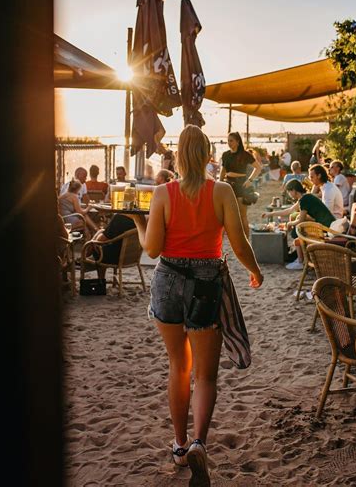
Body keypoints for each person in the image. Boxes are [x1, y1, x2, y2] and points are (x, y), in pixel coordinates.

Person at [128, 125, 263, 486]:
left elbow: (152, 249)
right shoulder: (221, 192)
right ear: (207, 155)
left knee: (178, 366)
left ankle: (179, 444)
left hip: (167, 279)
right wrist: (255, 270)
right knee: (205, 374)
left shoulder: (162, 193)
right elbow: (238, 242)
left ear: (176, 156)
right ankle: (199, 442)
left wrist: (139, 223)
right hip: (206, 282)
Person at [262, 179, 335, 271]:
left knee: (297, 232)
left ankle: (300, 261)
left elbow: (301, 219)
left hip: (325, 227)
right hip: (325, 224)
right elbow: (289, 211)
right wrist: (270, 214)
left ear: (294, 190)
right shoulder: (305, 197)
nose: (289, 194)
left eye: (289, 191)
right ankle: (300, 258)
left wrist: (289, 223)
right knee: (297, 230)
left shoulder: (304, 200)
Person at [220, 132, 262, 237]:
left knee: (242, 215)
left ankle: (246, 240)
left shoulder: (245, 154)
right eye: (228, 140)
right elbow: (223, 171)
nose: (229, 143)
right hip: (228, 185)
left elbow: (258, 168)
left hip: (241, 186)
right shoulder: (225, 155)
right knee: (226, 215)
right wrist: (219, 184)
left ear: (237, 142)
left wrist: (250, 180)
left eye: (231, 140)